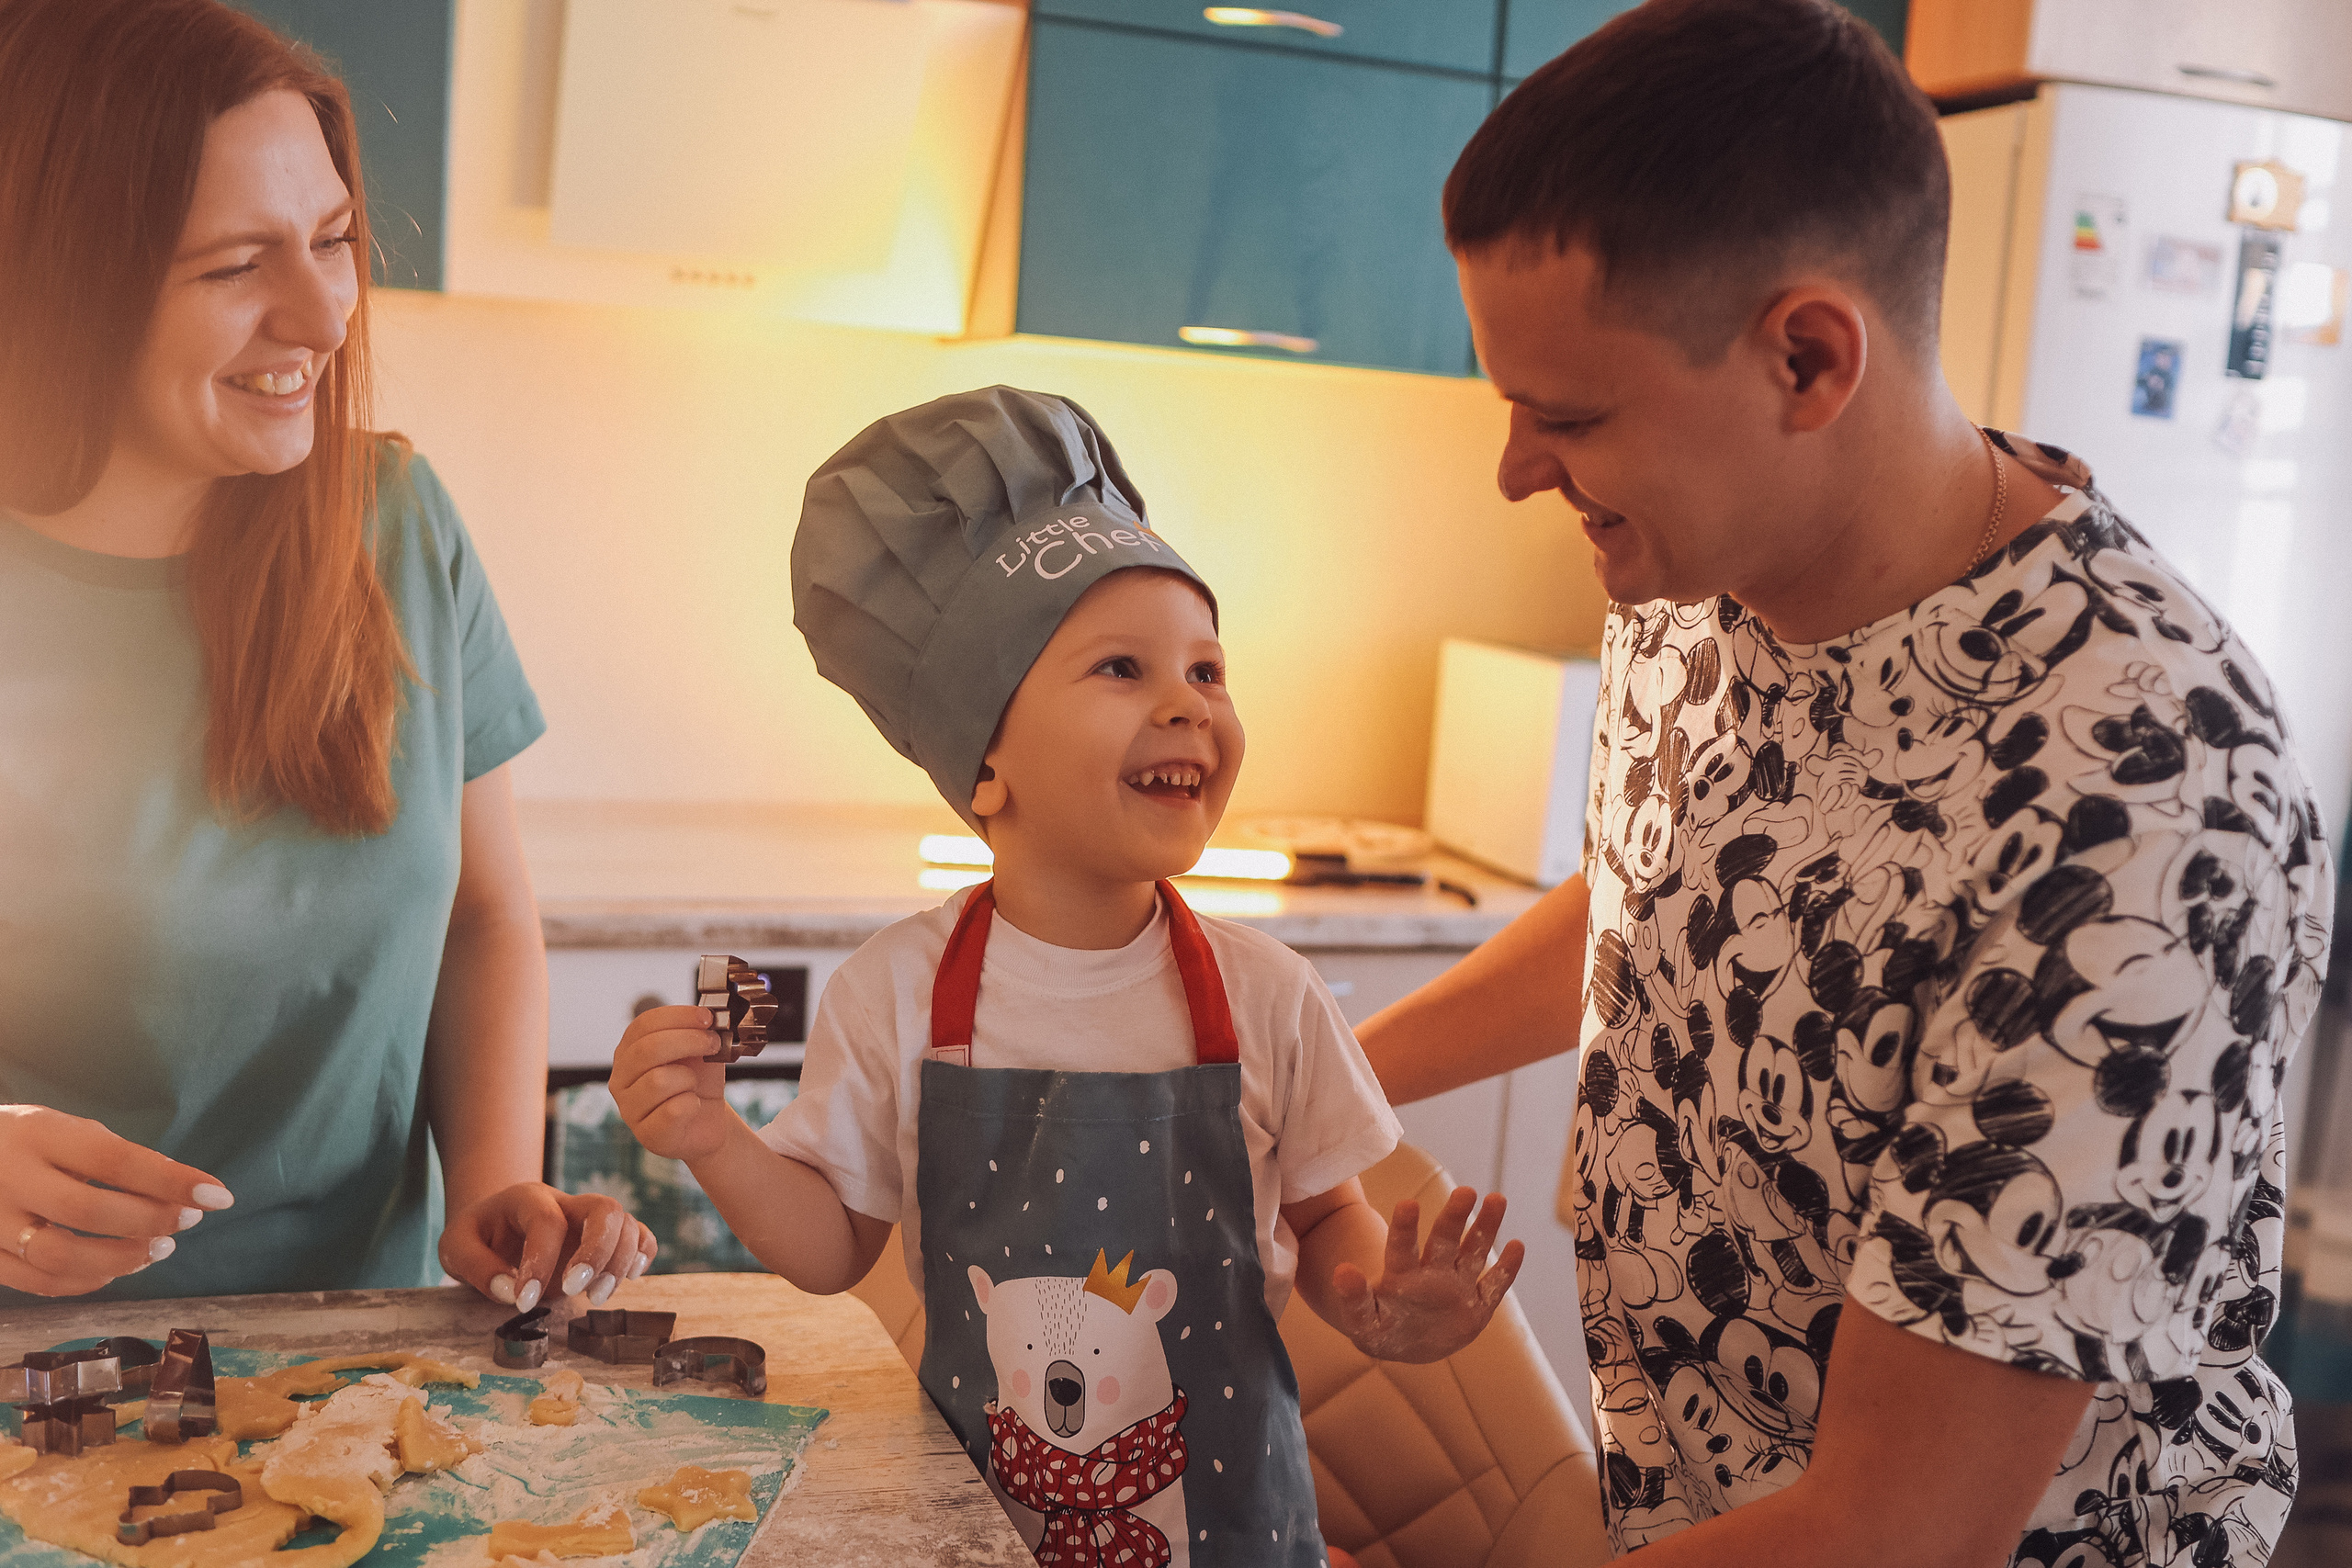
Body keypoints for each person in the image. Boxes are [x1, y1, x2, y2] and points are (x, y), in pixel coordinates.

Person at [1357, 3, 2328, 1565]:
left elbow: (1896, 1531)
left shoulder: (2136, 790)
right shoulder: (1701, 582)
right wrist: (1311, 1076)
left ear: (1807, 358)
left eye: (1572, 413)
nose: (1518, 469)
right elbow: (1658, 892)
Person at [610, 387, 1523, 1564]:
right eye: (1123, 668)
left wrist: (1376, 1304)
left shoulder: (1271, 995)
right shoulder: (896, 992)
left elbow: (1328, 1212)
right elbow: (834, 1249)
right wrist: (712, 1139)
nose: (1186, 704)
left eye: (1207, 669)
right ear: (983, 762)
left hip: (1227, 1532)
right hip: (978, 1525)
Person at [0, 0, 650, 1309]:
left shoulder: (399, 527)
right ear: (68, 278)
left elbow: (484, 912)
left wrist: (491, 1185)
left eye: (336, 239)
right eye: (236, 266)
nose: (323, 313)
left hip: (364, 1359)